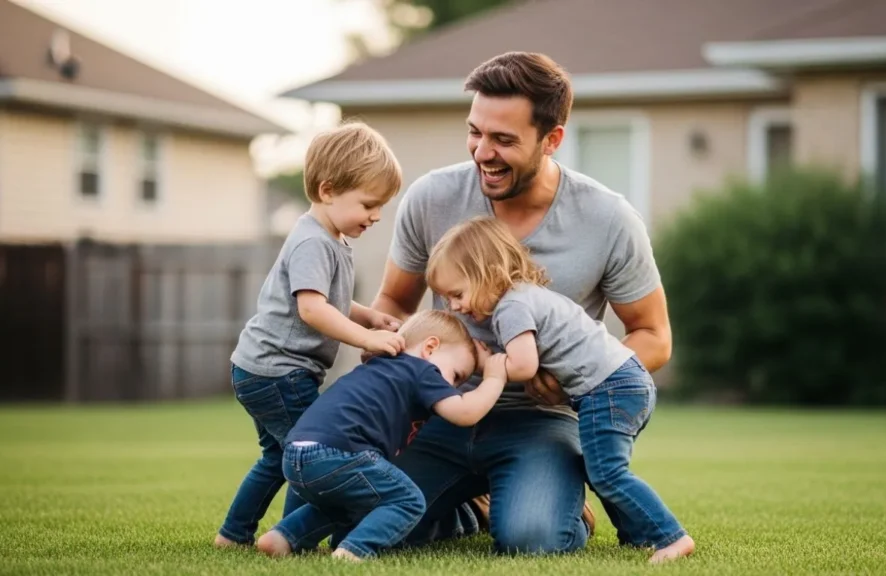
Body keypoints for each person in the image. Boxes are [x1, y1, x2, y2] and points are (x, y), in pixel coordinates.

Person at [368, 51, 675, 556]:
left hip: (541, 419)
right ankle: (473, 506)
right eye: (475, 132)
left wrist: (566, 382)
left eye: (503, 140)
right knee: (361, 519)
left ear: (552, 139)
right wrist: (398, 398)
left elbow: (654, 337)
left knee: (533, 536)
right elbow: (394, 305)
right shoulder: (432, 198)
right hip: (445, 409)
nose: (482, 152)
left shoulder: (609, 219)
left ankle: (550, 501)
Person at [426, 216, 695, 563]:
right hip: (624, 380)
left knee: (608, 472)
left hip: (608, 389)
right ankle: (637, 535)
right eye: (446, 298)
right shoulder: (527, 294)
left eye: (457, 294)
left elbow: (525, 366)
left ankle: (670, 537)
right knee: (601, 468)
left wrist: (486, 365)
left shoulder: (510, 308)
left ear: (487, 273)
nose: (454, 307)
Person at [214, 122, 407, 549]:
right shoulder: (313, 242)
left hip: (262, 369)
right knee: (311, 452)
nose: (376, 216)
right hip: (278, 372)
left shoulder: (331, 238)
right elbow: (311, 308)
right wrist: (365, 338)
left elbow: (330, 299)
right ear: (328, 190)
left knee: (279, 457)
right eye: (369, 204)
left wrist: (371, 316)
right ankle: (290, 539)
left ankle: (234, 534)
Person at [254, 310, 509, 562]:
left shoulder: (381, 365)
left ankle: (283, 538)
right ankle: (355, 550)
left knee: (352, 502)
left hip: (296, 454)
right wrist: (494, 379)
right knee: (408, 500)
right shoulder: (422, 370)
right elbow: (465, 413)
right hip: (342, 452)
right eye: (456, 376)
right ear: (430, 347)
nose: (452, 387)